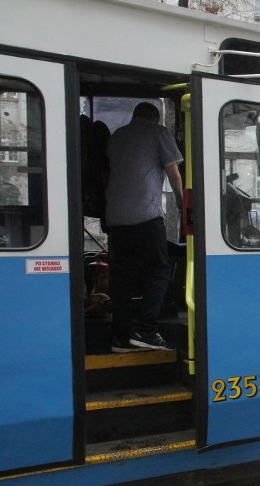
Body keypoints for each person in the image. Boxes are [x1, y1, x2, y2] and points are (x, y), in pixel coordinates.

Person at [105, 102, 183, 352]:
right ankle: (147, 330)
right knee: (160, 269)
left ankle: (121, 336)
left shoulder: (117, 136)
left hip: (115, 218)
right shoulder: (159, 133)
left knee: (123, 277)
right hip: (145, 215)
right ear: (155, 118)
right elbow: (174, 173)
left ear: (134, 115)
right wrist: (184, 205)